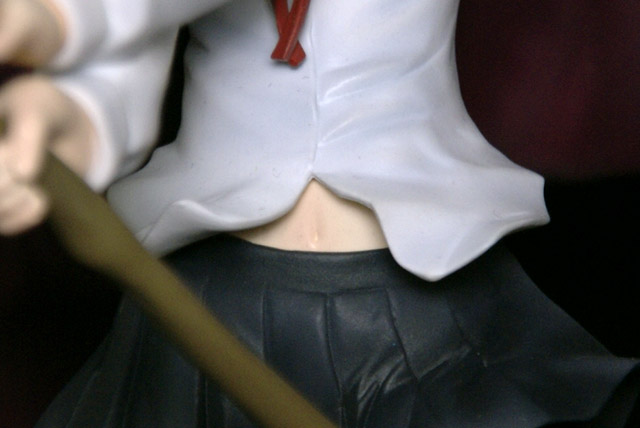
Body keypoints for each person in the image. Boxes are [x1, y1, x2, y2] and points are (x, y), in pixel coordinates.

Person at [0, 0, 638, 427]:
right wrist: (69, 121)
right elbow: (123, 71)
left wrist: (59, 16)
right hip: (209, 308)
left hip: (423, 304)